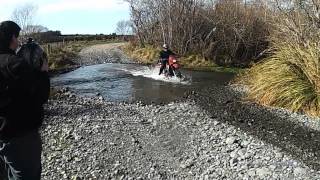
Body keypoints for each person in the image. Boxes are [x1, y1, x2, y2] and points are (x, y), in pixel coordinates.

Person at [0, 21, 50, 180]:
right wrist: (43, 73)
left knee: (8, 173)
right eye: (17, 37)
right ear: (12, 37)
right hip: (20, 134)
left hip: (3, 133)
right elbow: (41, 95)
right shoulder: (15, 64)